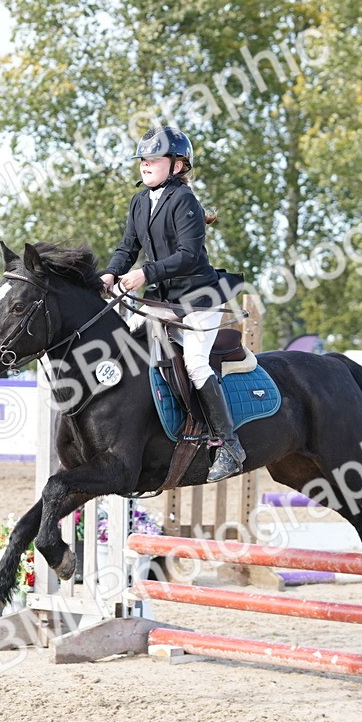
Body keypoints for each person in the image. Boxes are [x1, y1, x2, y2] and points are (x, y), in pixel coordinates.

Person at [97, 126, 244, 482]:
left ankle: (228, 445)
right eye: (143, 160)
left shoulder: (184, 201)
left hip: (199, 300)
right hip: (163, 300)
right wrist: (110, 274)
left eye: (153, 159)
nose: (145, 165)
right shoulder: (139, 201)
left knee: (195, 363)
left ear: (177, 165)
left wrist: (144, 274)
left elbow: (188, 256)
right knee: (122, 342)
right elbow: (126, 248)